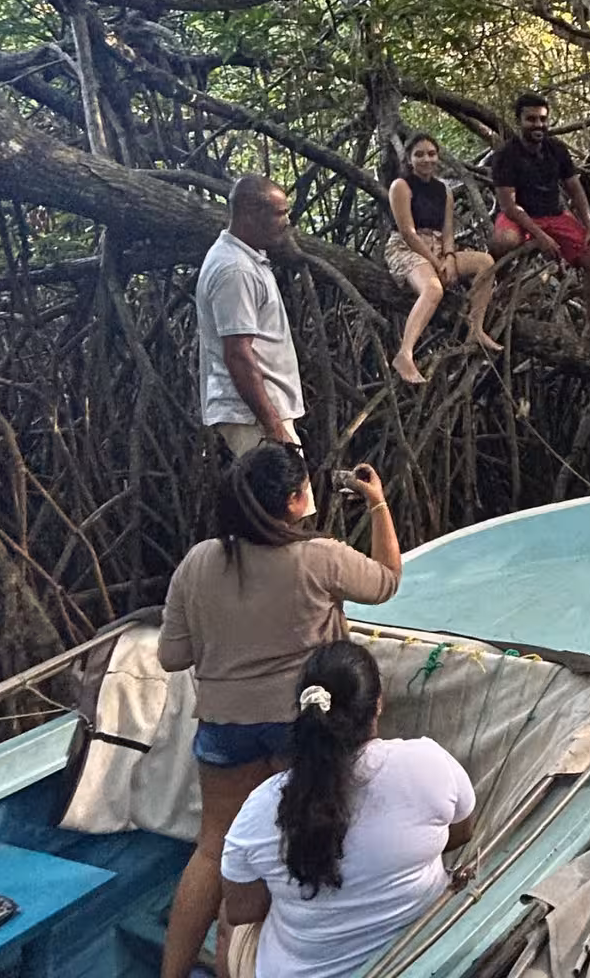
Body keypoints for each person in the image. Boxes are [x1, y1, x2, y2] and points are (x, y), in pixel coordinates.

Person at [156, 447, 405, 978]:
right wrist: (378, 505)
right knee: (300, 837)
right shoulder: (321, 556)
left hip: (226, 731)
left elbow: (172, 656)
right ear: (295, 502)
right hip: (304, 726)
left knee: (214, 850)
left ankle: (172, 974)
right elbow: (386, 581)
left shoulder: (198, 561)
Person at [217, 641, 476, 978]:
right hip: (416, 950)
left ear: (303, 712)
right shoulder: (430, 763)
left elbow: (242, 910)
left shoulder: (260, 810)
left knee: (225, 919)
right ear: (378, 704)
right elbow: (460, 833)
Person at [197, 174, 312, 514]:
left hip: (260, 412)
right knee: (287, 513)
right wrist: (273, 426)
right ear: (248, 211)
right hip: (254, 416)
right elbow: (238, 354)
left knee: (280, 514)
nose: (286, 221)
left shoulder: (246, 259)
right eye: (279, 213)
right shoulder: (235, 270)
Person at [487, 93, 590, 343]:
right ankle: (500, 287)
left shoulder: (557, 150)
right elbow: (509, 206)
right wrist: (540, 237)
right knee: (504, 241)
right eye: (531, 119)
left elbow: (575, 189)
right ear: (519, 120)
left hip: (553, 215)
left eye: (543, 119)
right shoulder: (506, 155)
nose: (538, 125)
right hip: (518, 215)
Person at [384, 132, 502, 383]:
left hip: (437, 247)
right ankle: (405, 354)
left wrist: (448, 257)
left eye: (431, 154)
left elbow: (448, 230)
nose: (426, 159)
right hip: (406, 248)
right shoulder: (400, 186)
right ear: (409, 159)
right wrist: (437, 264)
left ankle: (476, 328)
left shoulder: (444, 190)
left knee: (486, 262)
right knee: (433, 289)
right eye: (419, 155)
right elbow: (408, 232)